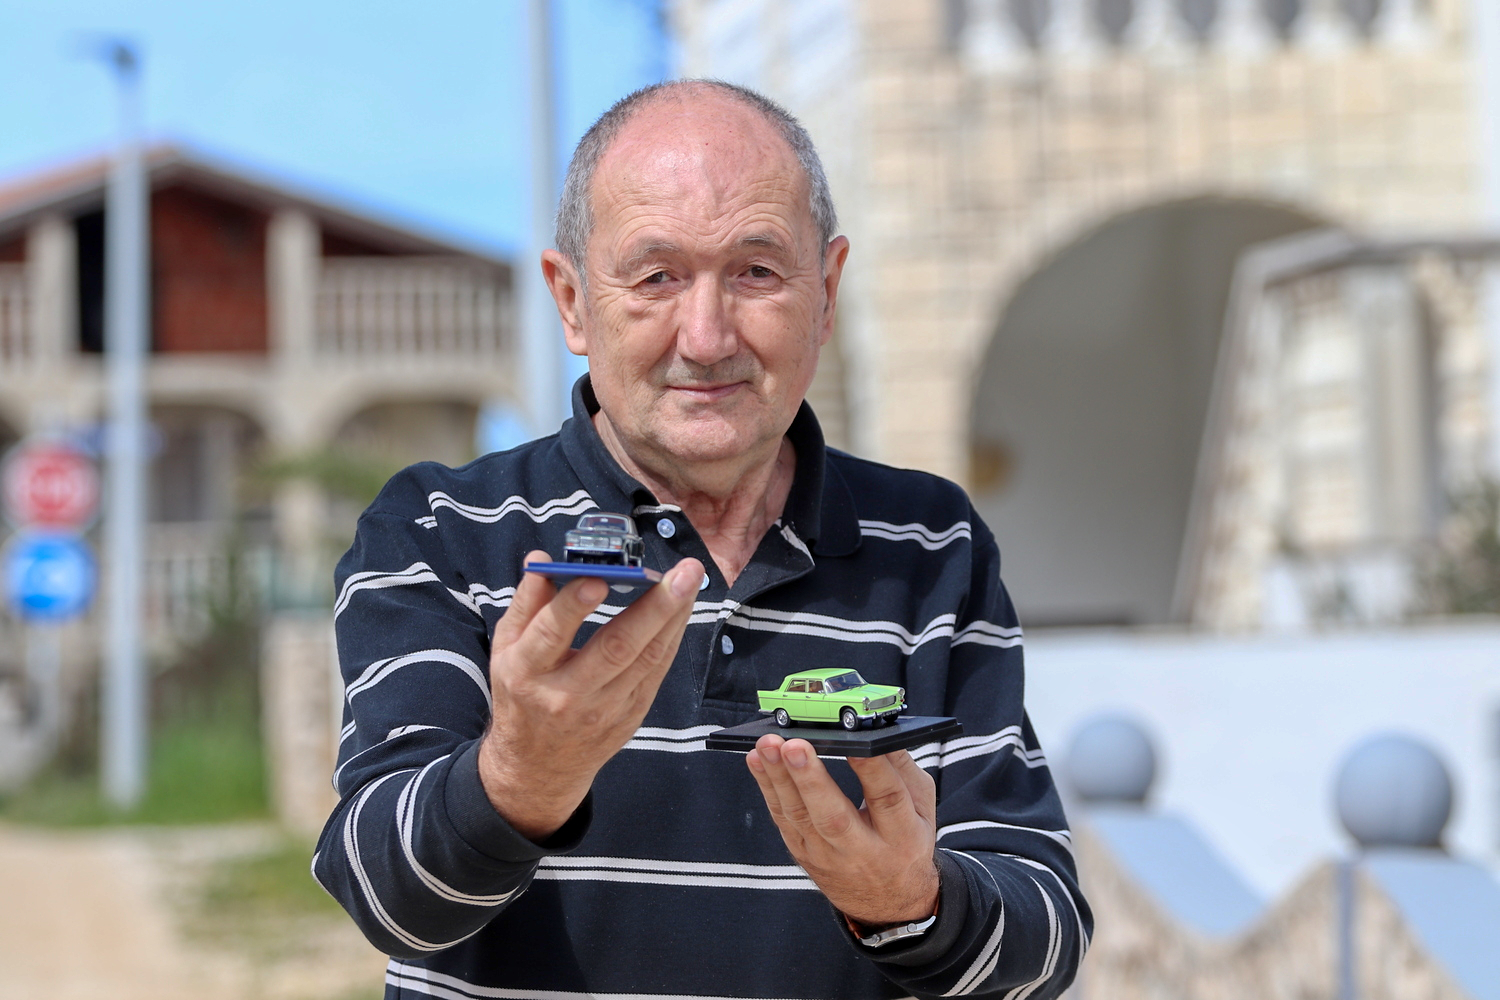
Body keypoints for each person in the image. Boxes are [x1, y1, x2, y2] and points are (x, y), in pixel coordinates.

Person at [315, 80, 1090, 1000]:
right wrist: (518, 779)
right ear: (571, 301)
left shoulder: (930, 545)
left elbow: (1046, 939)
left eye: (757, 271)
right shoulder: (440, 529)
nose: (708, 335)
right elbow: (386, 898)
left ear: (827, 291)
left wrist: (910, 905)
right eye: (656, 277)